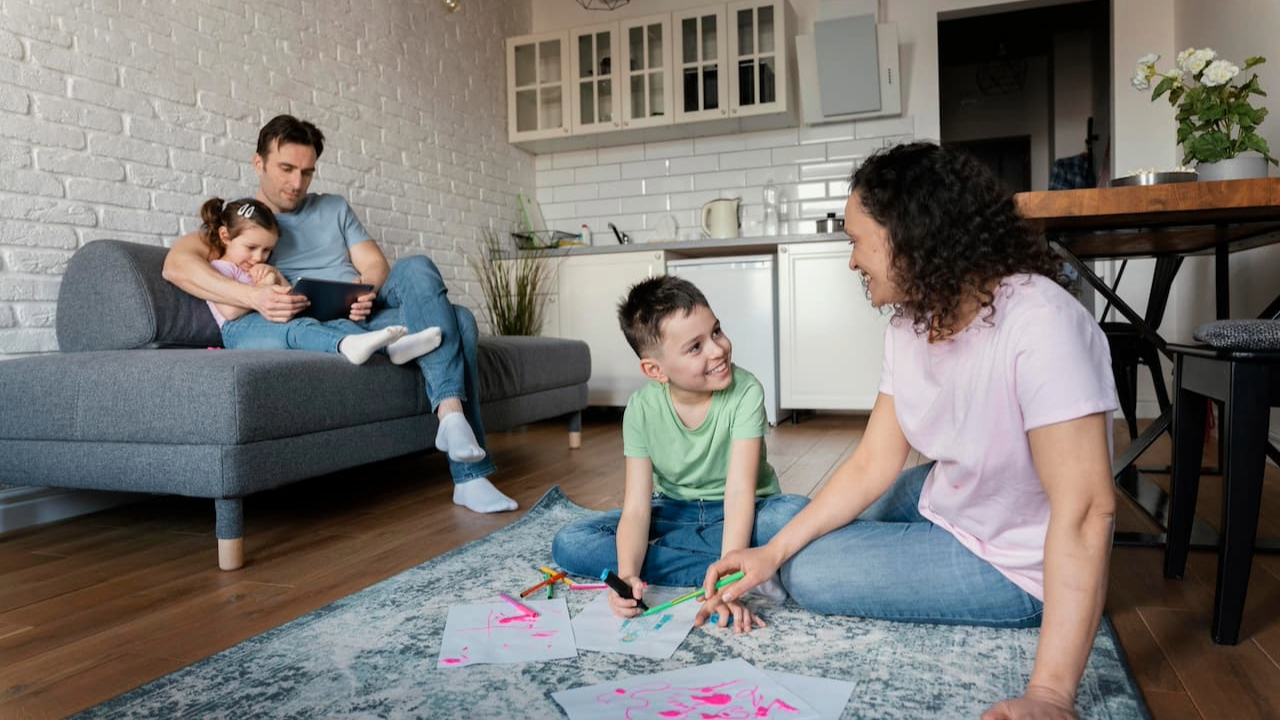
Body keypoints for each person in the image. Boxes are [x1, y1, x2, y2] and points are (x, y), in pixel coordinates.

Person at [700, 142, 1118, 720]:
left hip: (1015, 561)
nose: (851, 261)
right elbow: (874, 462)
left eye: (855, 240)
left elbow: (1087, 509)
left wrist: (1049, 695)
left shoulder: (1040, 322)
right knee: (776, 530)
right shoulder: (910, 322)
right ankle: (767, 544)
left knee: (810, 569)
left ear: (911, 234)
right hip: (950, 497)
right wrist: (769, 551)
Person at [164, 115, 517, 514]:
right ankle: (470, 476)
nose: (297, 183)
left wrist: (367, 290)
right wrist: (255, 296)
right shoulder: (243, 224)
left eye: (307, 172)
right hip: (312, 321)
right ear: (258, 163)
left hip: (365, 313)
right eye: (286, 169)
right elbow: (176, 266)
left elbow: (375, 265)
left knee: (417, 266)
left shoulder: (333, 208)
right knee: (461, 321)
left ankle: (451, 415)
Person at [551, 275, 807, 631]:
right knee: (570, 543)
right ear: (655, 370)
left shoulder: (745, 391)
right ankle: (742, 570)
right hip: (674, 513)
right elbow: (638, 508)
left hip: (744, 511)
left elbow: (739, 493)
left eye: (716, 332)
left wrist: (728, 581)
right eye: (695, 347)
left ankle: (729, 566)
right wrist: (626, 575)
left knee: (793, 515)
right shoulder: (640, 409)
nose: (718, 350)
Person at [199, 196, 444, 364]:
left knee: (326, 321)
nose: (258, 257)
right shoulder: (218, 268)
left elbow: (289, 295)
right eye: (251, 247)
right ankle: (346, 345)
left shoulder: (263, 267)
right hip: (239, 330)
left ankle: (392, 348)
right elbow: (230, 311)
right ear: (225, 236)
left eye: (266, 251)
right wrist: (262, 286)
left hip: (274, 322)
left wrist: (275, 275)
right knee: (298, 328)